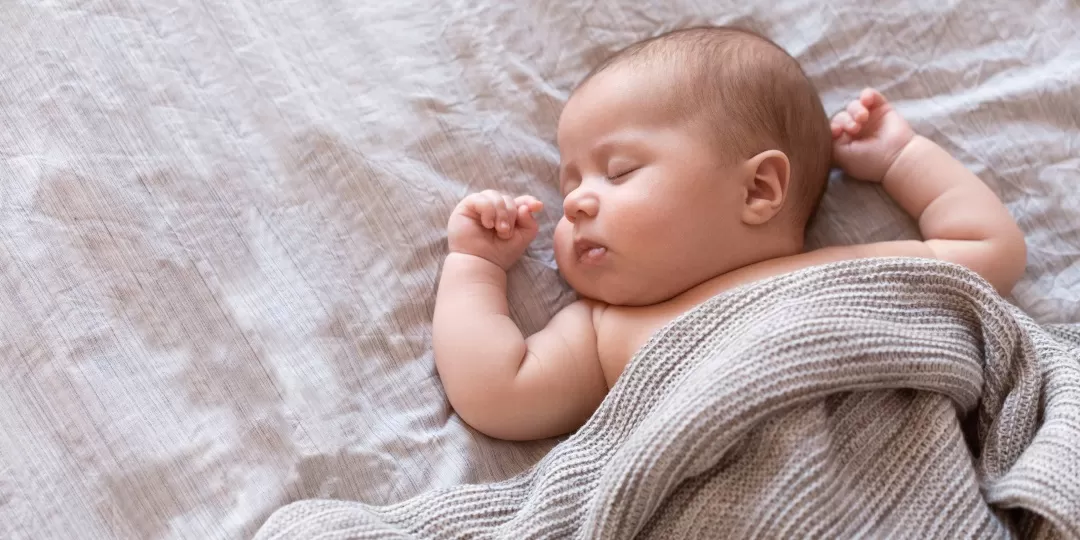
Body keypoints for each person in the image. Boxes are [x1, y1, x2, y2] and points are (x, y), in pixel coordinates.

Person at [432, 26, 1026, 441]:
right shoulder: (599, 334)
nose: (579, 201)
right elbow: (496, 394)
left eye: (619, 172)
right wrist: (475, 266)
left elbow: (989, 250)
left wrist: (902, 158)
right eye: (568, 192)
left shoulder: (850, 272)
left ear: (758, 191)